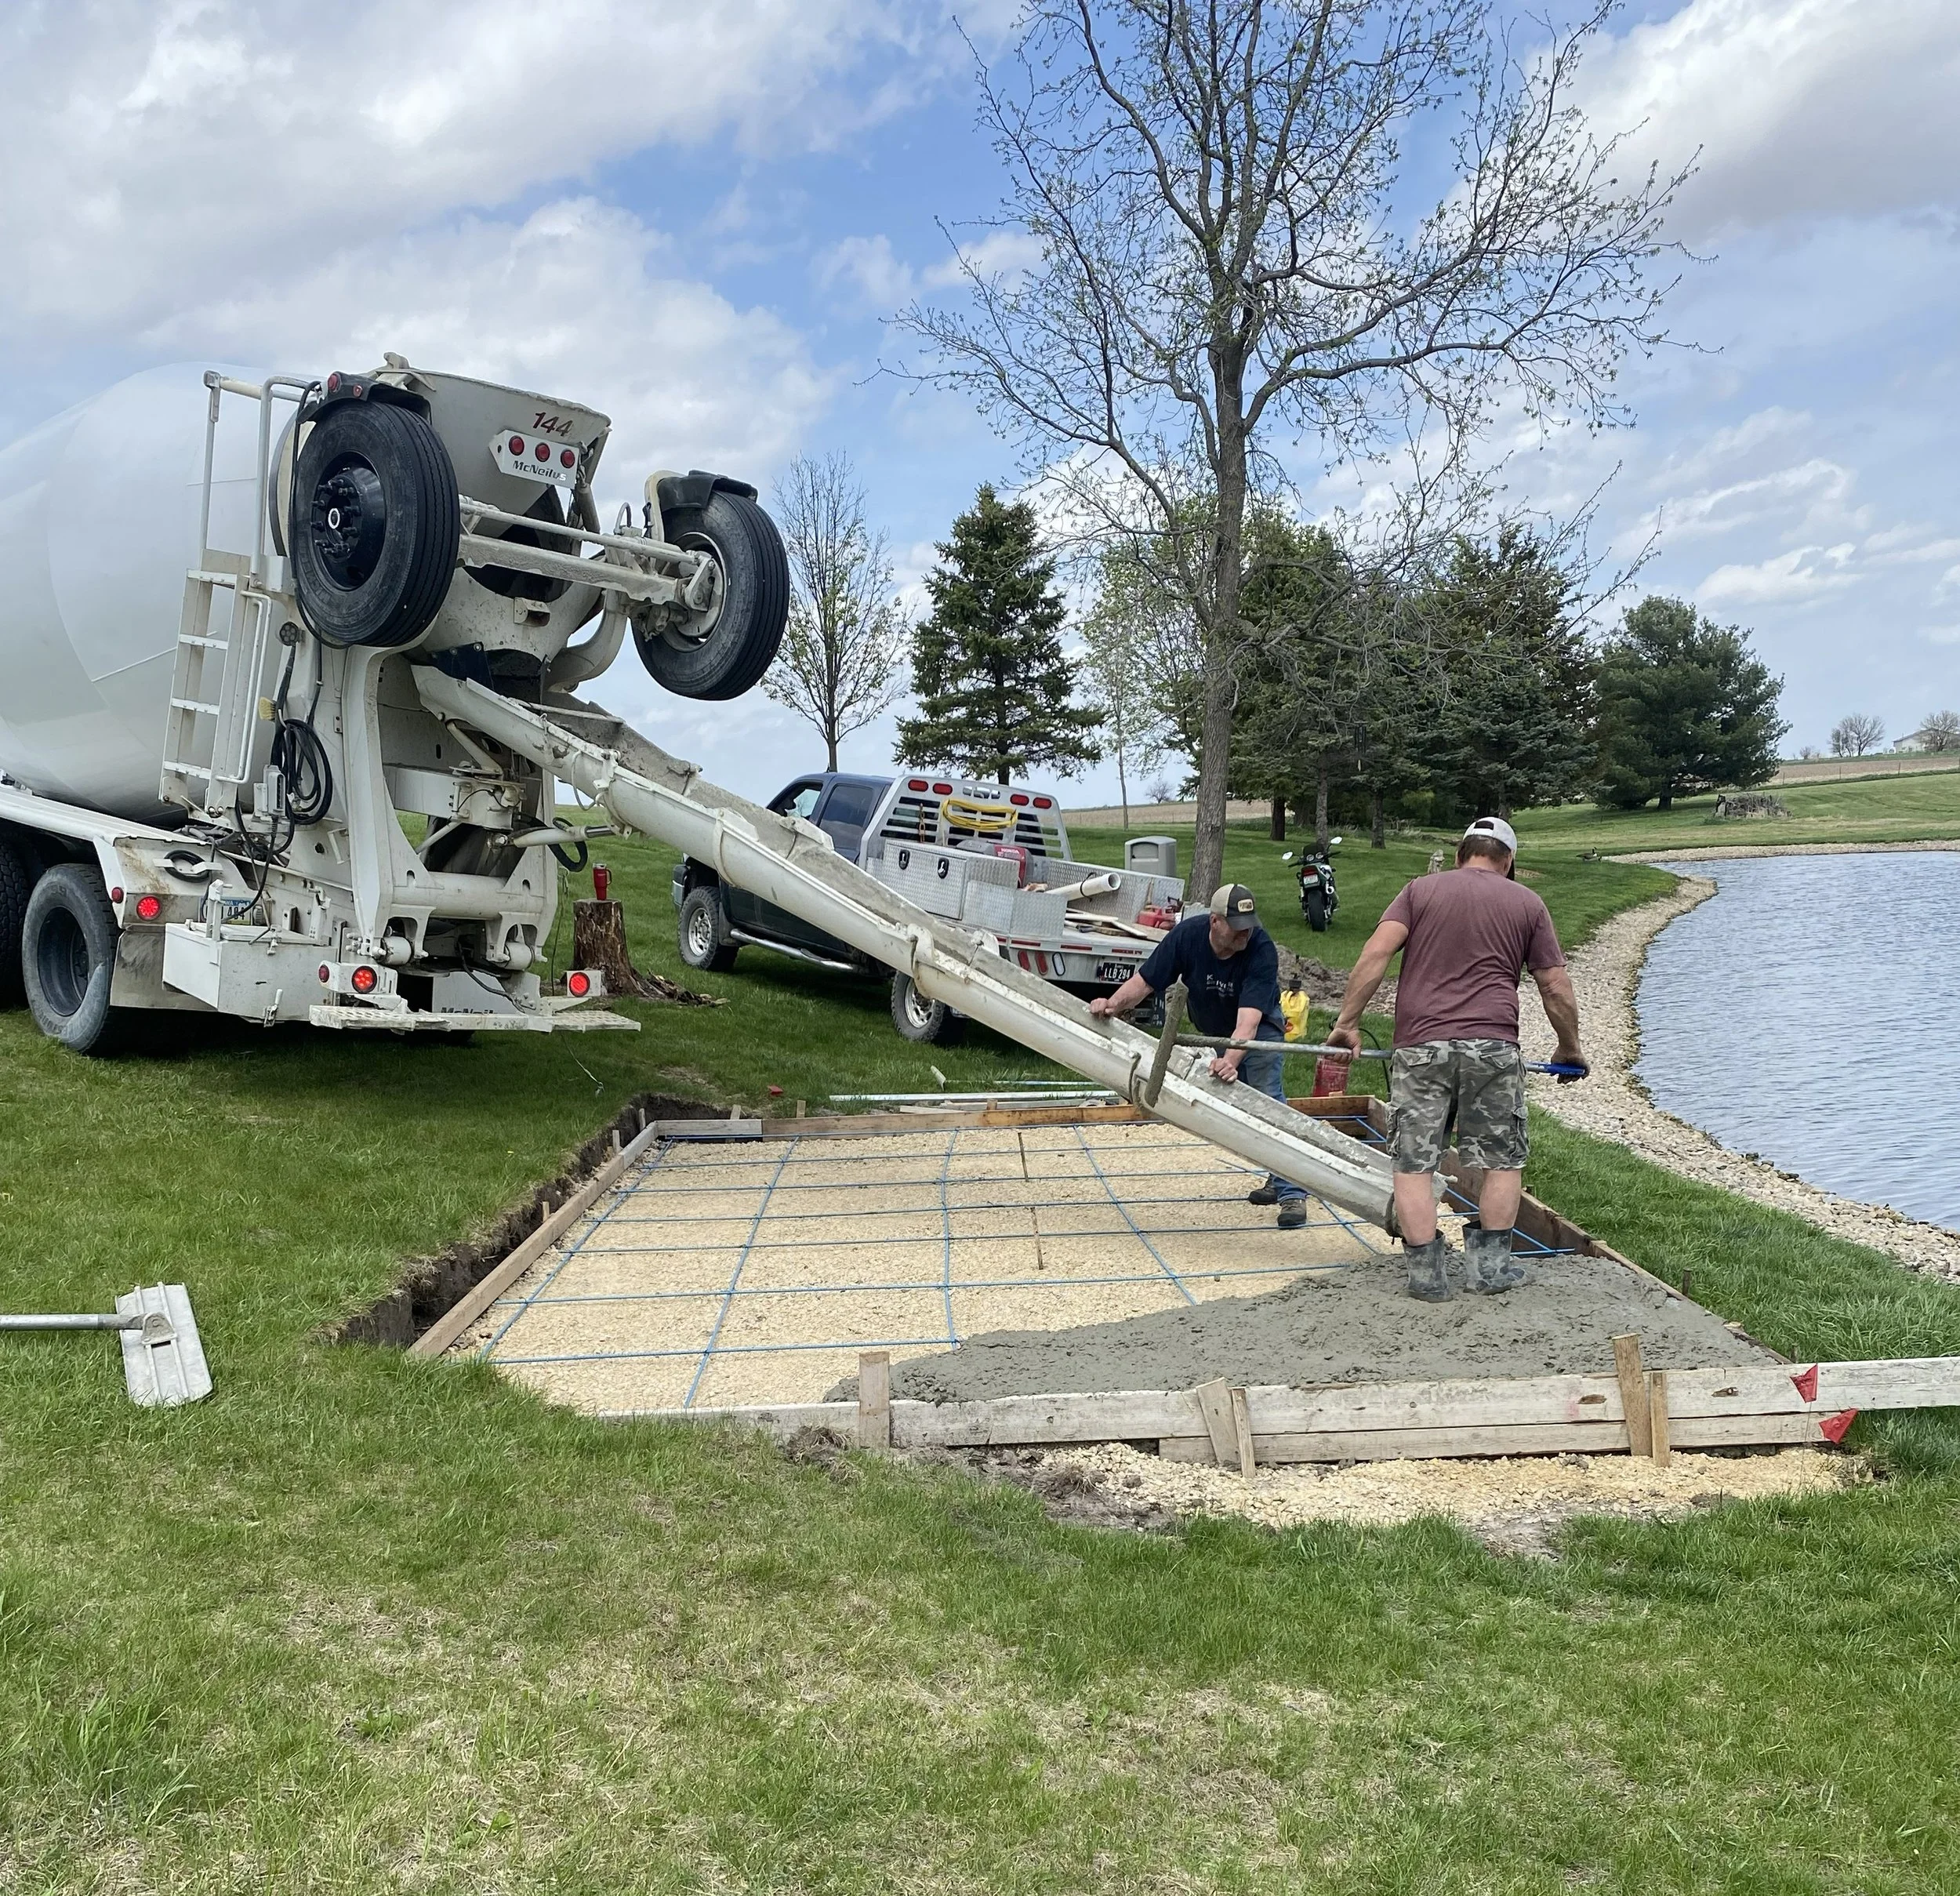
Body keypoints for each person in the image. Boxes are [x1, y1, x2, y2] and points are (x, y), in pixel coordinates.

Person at [1327, 816, 1588, 1302]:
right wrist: (1569, 1046)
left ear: (1459, 854)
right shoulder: (1528, 903)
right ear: (1508, 861)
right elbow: (1554, 985)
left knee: (1413, 1163)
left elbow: (1376, 953)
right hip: (1493, 1047)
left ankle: (1427, 1277)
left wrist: (1347, 1021)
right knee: (1502, 1160)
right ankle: (1489, 1271)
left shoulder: (1419, 891)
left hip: (1421, 1046)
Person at [1090, 882, 1308, 1228]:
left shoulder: (1261, 948)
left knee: (1268, 1102)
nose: (1245, 935)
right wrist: (1112, 1006)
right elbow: (1146, 981)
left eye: (1249, 926)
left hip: (1258, 1031)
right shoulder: (1187, 937)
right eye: (1237, 928)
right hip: (1220, 1030)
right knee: (1243, 1109)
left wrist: (1230, 1062)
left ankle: (1293, 1192)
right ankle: (1277, 1173)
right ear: (1215, 922)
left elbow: (1248, 1023)